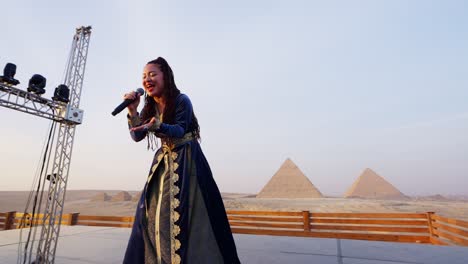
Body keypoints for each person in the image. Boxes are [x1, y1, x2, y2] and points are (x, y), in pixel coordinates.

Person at [122, 57, 241, 264]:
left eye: (152, 74)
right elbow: (137, 135)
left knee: (189, 217)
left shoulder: (182, 100)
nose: (147, 79)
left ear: (165, 77)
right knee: (152, 215)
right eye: (143, 76)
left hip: (187, 162)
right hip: (163, 162)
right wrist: (132, 110)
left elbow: (179, 129)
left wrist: (158, 126)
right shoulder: (150, 106)